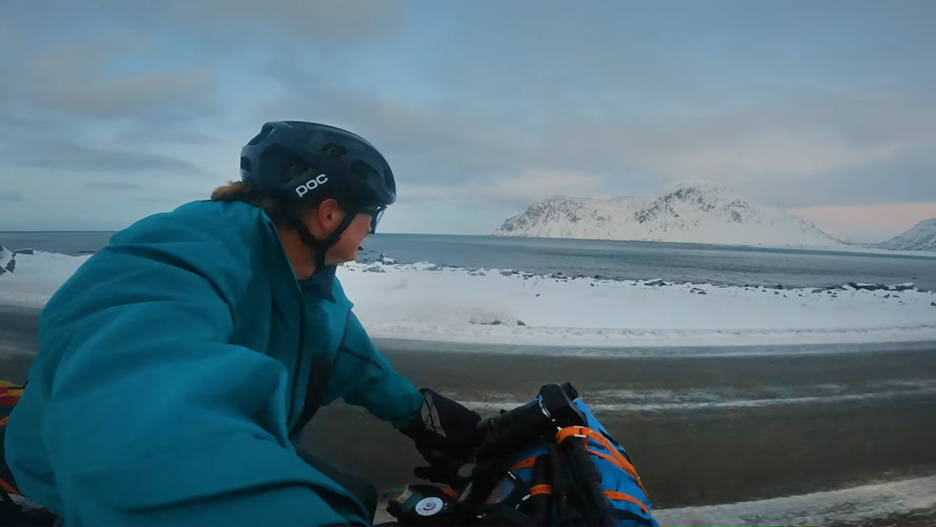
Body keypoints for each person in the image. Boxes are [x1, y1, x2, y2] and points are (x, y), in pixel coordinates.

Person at [4, 121, 482, 525]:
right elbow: (138, 401)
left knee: (354, 494)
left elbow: (352, 362)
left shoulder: (311, 282)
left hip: (187, 444)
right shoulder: (182, 250)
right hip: (87, 470)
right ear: (330, 212)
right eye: (371, 216)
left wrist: (428, 419)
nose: (371, 231)